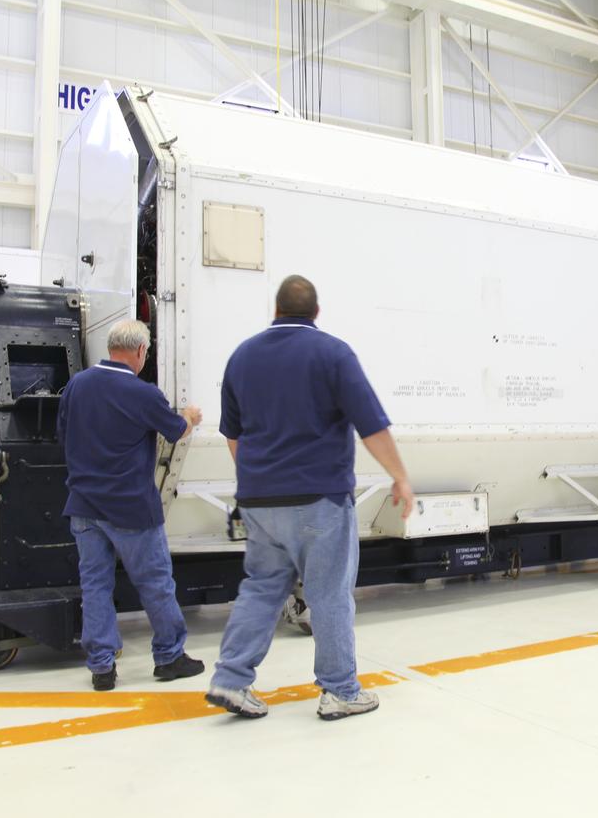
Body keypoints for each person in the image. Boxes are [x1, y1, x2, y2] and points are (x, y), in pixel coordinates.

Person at [206, 275, 415, 722]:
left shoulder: (242, 357)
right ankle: (340, 690)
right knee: (329, 593)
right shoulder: (332, 353)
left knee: (261, 589)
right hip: (318, 497)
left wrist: (255, 482)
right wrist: (399, 477)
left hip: (260, 502)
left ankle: (231, 679)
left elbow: (233, 435)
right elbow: (371, 426)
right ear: (316, 313)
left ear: (275, 310)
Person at [57, 319, 205, 691]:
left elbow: (63, 435)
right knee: (155, 583)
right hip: (131, 509)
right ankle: (170, 657)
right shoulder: (142, 393)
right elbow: (175, 431)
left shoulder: (76, 385)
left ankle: (102, 667)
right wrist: (190, 417)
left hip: (84, 506)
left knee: (95, 585)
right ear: (140, 351)